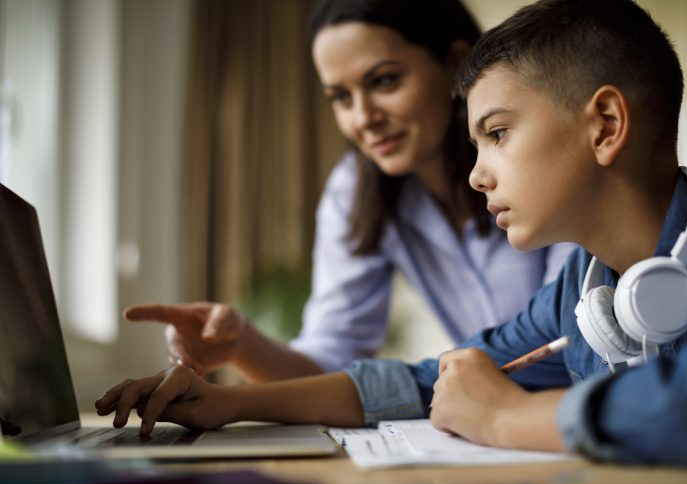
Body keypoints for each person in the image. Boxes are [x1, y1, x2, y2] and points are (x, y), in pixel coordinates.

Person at [96, 0, 687, 465]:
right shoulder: (580, 290)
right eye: (339, 97)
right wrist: (229, 404)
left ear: (604, 126)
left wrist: (502, 417)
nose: (479, 176)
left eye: (498, 135)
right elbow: (433, 380)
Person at [123, 0, 574, 382]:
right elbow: (332, 353)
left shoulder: (536, 157)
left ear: (455, 63)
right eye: (340, 97)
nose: (363, 117)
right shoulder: (355, 189)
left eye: (384, 81)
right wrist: (241, 343)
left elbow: (563, 335)